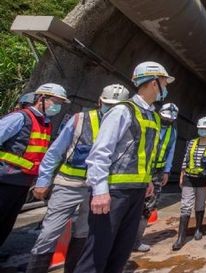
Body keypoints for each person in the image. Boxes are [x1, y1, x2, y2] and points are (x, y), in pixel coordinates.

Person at [73, 61, 174, 273]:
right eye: (164, 82)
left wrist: (146, 181)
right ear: (153, 83)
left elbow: (143, 154)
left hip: (136, 192)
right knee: (97, 252)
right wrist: (100, 190)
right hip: (113, 192)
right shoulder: (123, 111)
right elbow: (100, 153)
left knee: (121, 251)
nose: (166, 87)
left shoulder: (153, 115)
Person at [25, 84, 129, 273]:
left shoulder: (126, 126)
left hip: (97, 190)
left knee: (84, 233)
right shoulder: (80, 120)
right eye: (107, 104)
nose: (111, 109)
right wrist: (43, 180)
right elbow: (55, 152)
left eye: (116, 106)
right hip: (68, 185)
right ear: (100, 101)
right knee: (49, 233)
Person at [0, 83, 70, 247]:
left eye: (60, 103)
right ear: (41, 99)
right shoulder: (20, 118)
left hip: (21, 183)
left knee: (5, 224)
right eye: (55, 101)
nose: (57, 106)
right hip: (4, 181)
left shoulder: (45, 124)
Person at [134, 103, 179, 252]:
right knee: (132, 204)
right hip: (140, 170)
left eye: (170, 120)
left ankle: (136, 240)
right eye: (165, 119)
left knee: (148, 206)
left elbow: (171, 152)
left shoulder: (172, 132)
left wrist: (167, 171)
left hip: (158, 172)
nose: (167, 122)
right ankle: (123, 239)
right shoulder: (150, 125)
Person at [173, 117, 206, 250]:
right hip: (189, 177)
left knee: (200, 204)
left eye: (205, 129)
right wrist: (181, 173)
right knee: (185, 205)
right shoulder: (192, 142)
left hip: (203, 178)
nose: (203, 131)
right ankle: (181, 237)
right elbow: (186, 158)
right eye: (201, 128)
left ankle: (198, 228)